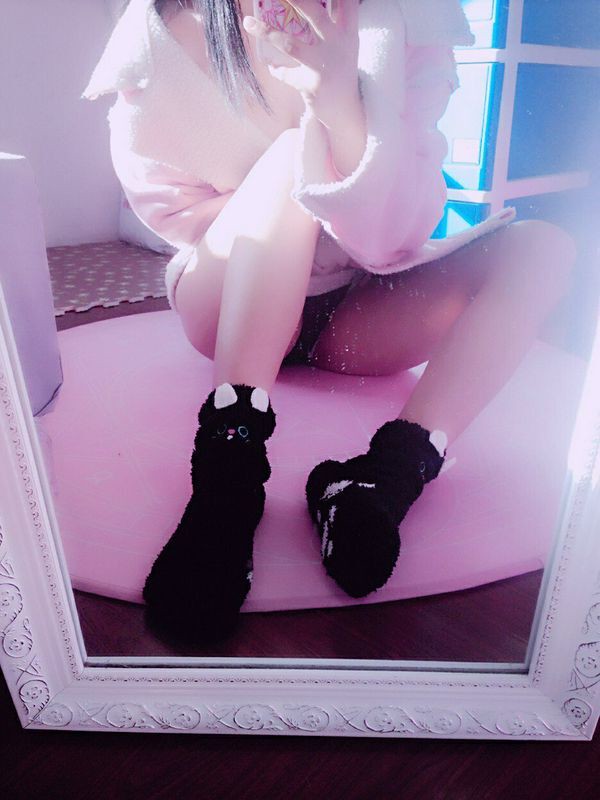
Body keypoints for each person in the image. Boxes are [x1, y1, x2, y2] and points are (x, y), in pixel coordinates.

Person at [82, 0, 576, 642]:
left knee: (545, 248)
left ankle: (384, 478)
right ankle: (229, 473)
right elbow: (171, 211)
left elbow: (402, 232)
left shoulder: (407, 19)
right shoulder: (165, 31)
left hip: (358, 305)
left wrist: (342, 107)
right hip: (229, 299)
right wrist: (283, 205)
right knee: (292, 154)